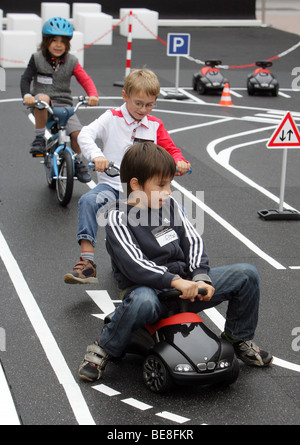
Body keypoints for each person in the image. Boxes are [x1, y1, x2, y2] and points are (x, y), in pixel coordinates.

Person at [78, 142, 273, 382]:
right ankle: (104, 348)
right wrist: (175, 281)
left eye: (169, 184)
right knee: (141, 300)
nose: (168, 191)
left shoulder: (170, 206)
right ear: (136, 185)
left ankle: (237, 338)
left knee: (246, 274)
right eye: (161, 185)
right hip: (151, 292)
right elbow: (135, 264)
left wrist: (200, 276)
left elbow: (193, 240)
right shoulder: (117, 217)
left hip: (186, 288)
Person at [63, 68, 191, 284]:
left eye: (149, 104)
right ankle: (87, 262)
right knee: (88, 201)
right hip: (113, 188)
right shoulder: (111, 118)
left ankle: (186, 263)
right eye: (138, 103)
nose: (143, 109)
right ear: (125, 96)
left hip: (143, 193)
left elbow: (171, 149)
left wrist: (179, 161)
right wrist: (97, 155)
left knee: (180, 213)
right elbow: (85, 134)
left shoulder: (155, 125)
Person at [20, 16, 99, 183]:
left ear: (68, 44)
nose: (58, 45)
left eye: (63, 42)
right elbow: (25, 79)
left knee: (78, 134)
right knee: (42, 97)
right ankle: (39, 137)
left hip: (64, 104)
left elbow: (85, 79)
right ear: (46, 41)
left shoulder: (72, 61)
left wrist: (93, 95)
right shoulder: (37, 58)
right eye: (54, 40)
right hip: (43, 105)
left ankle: (78, 161)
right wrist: (27, 95)